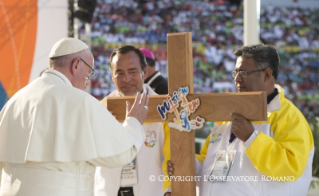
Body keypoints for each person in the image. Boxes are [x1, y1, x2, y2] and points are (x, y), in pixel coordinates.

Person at [0, 38, 149, 196]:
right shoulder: (81, 102)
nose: (86, 83)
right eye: (88, 73)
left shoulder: (15, 100)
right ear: (76, 64)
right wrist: (134, 122)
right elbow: (120, 155)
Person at [167, 44, 314, 196]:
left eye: (244, 72)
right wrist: (189, 166)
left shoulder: (290, 118)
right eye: (235, 72)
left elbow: (291, 168)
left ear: (267, 75)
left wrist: (252, 138)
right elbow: (211, 164)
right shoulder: (226, 116)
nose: (237, 79)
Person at [94, 45, 171, 196]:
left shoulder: (165, 109)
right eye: (119, 73)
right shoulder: (100, 109)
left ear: (144, 72)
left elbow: (172, 158)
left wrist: (170, 190)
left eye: (132, 71)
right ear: (112, 76)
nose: (126, 79)